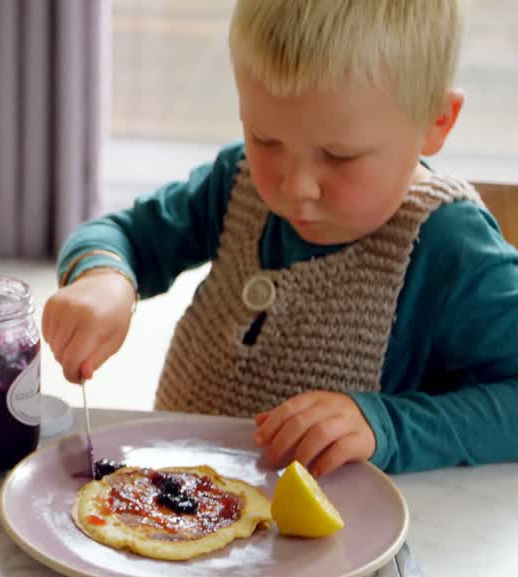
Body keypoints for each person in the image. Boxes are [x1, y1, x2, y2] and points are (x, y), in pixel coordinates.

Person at [43, 0, 518, 477]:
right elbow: (124, 234)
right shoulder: (237, 181)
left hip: (339, 539)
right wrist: (103, 277)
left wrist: (387, 426)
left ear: (437, 121)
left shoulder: (452, 246)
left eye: (339, 155)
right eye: (265, 139)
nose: (295, 187)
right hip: (184, 503)